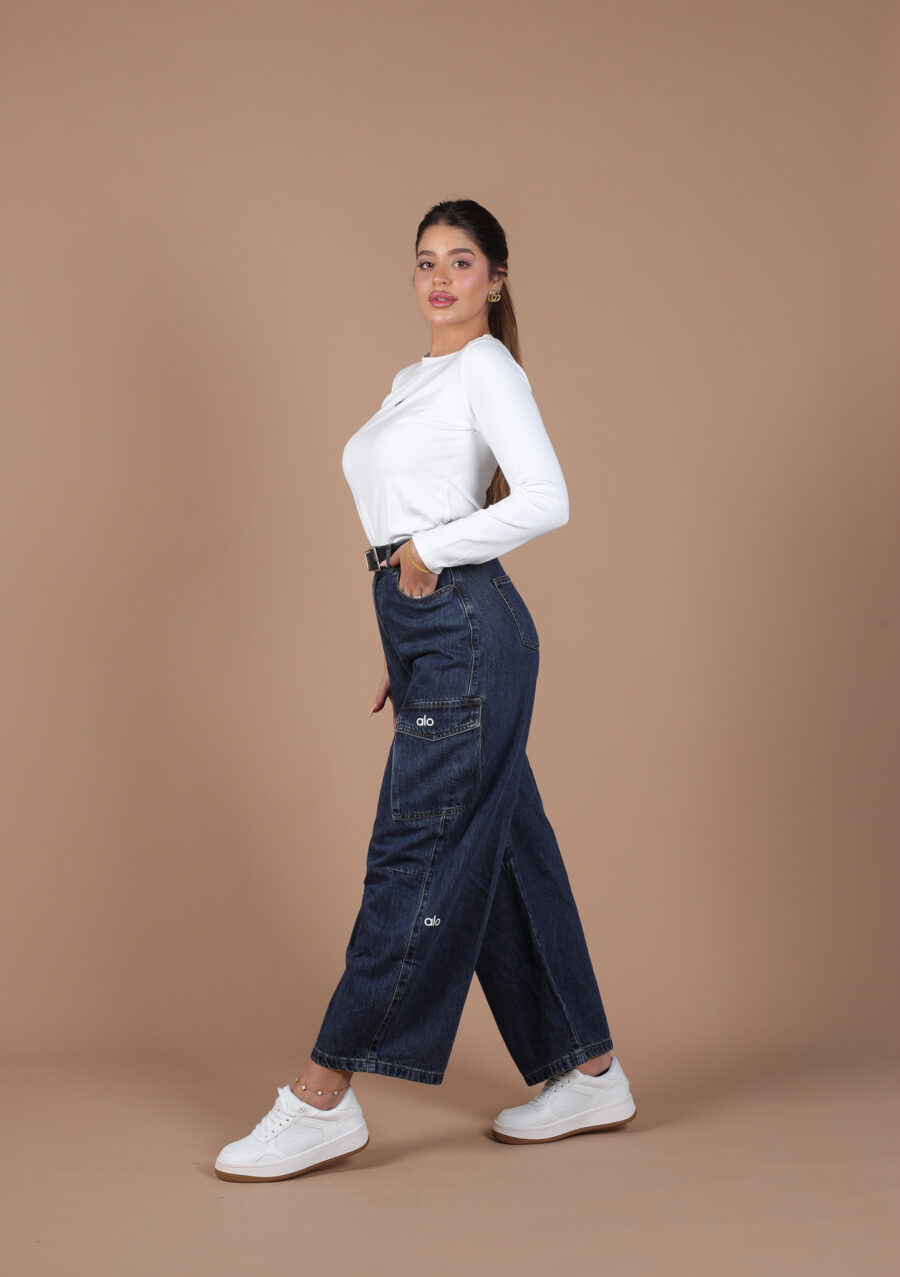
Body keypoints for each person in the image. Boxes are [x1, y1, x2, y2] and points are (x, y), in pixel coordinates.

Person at [214, 198, 637, 1183]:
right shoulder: (416, 379)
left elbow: (544, 498)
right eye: (425, 261)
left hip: (464, 624)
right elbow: (404, 518)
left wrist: (431, 556)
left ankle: (323, 1095)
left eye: (461, 260)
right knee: (506, 851)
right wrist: (403, 644)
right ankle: (590, 1068)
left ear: (496, 278)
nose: (440, 278)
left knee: (414, 853)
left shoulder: (487, 365)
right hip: (432, 631)